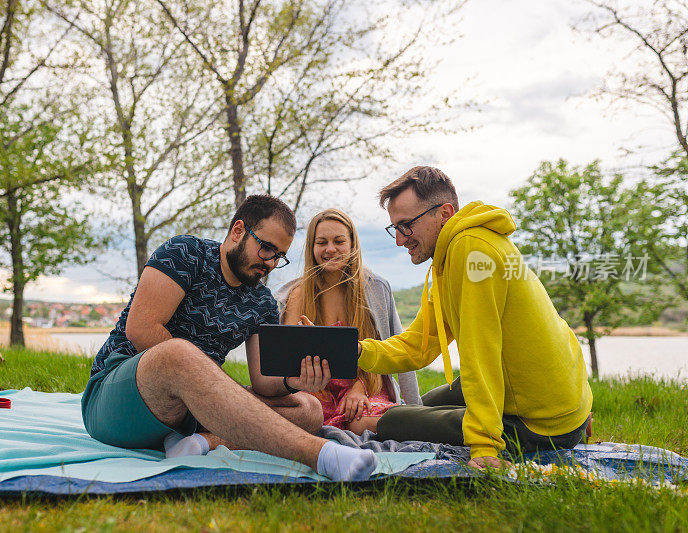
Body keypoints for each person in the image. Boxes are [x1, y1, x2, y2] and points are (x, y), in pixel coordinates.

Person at [82, 195, 377, 481]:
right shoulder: (185, 253)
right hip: (118, 396)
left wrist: (296, 380)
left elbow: (263, 381)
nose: (272, 263)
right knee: (178, 353)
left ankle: (200, 443)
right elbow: (141, 328)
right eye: (267, 249)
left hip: (190, 412)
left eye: (280, 256)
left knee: (308, 409)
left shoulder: (263, 302)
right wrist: (215, 386)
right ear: (238, 231)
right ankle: (322, 455)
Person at [356, 166, 593, 469]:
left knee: (387, 420)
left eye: (406, 226)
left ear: (444, 212)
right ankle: (572, 412)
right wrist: (358, 351)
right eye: (395, 228)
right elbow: (418, 346)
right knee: (420, 405)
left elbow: (481, 354)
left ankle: (522, 429)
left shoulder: (471, 253)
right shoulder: (451, 256)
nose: (400, 240)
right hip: (550, 395)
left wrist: (483, 448)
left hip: (541, 423)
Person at [276, 209, 421, 434]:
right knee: (308, 417)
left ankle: (424, 426)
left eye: (339, 241)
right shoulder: (297, 294)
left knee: (359, 422)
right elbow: (286, 360)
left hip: (365, 383)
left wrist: (413, 406)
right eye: (321, 242)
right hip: (315, 389)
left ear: (352, 244)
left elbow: (393, 349)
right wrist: (310, 345)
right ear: (312, 248)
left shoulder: (374, 288)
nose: (330, 249)